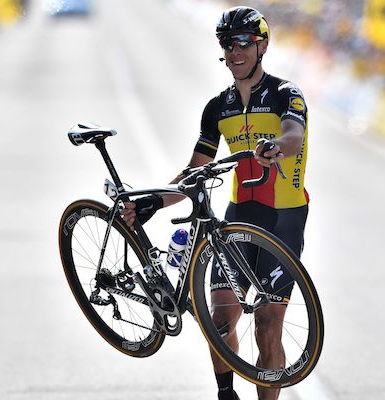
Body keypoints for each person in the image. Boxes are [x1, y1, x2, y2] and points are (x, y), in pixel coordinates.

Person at [120, 6, 310, 400]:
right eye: (228, 43)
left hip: (283, 220)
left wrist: (275, 146)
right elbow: (194, 171)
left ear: (262, 46)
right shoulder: (217, 108)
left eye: (245, 42)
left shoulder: (285, 93)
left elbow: (295, 135)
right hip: (238, 217)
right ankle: (226, 394)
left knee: (266, 327)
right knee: (220, 321)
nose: (236, 50)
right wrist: (155, 202)